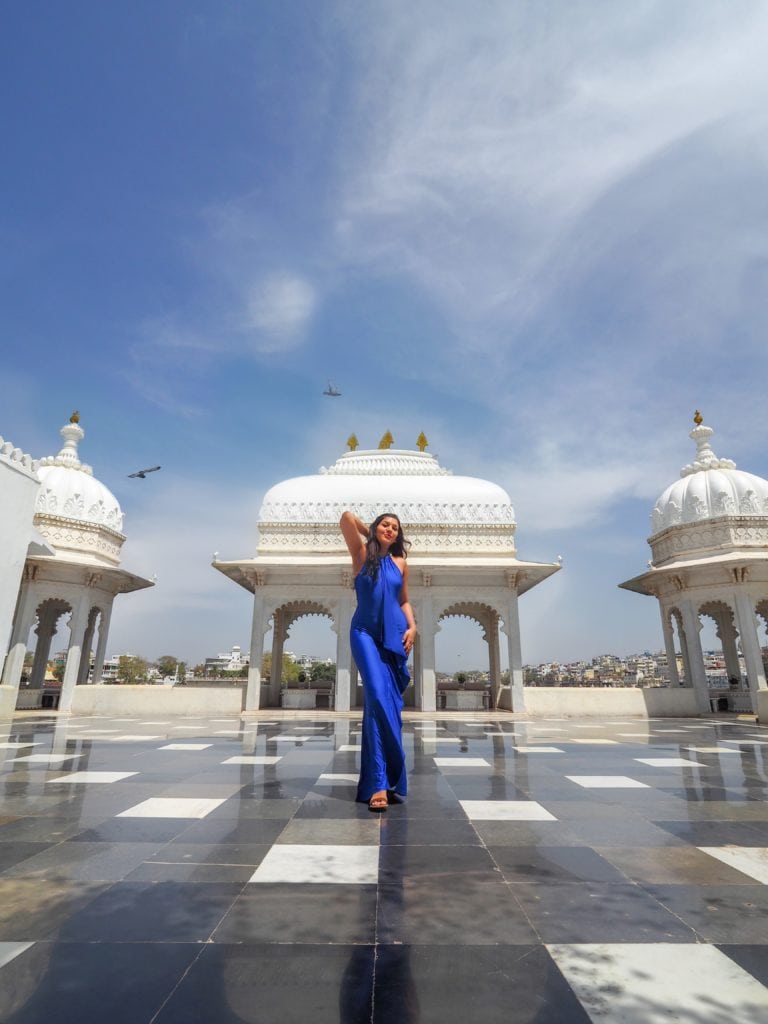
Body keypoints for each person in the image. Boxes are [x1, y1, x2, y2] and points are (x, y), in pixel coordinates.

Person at [340, 511, 417, 811]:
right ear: (375, 528)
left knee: (388, 704)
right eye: (386, 525)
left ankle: (380, 784)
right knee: (374, 694)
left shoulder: (400, 564)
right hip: (364, 634)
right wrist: (370, 532)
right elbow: (346, 518)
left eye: (395, 528)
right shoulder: (361, 555)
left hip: (395, 635)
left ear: (399, 535)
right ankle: (382, 778)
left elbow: (404, 600)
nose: (390, 530)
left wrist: (413, 626)